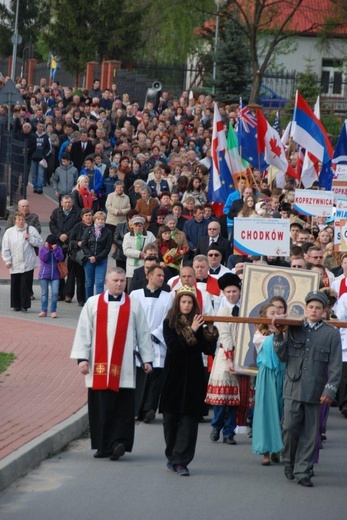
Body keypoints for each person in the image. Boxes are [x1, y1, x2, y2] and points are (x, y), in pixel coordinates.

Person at [70, 267, 153, 460]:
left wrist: (147, 359)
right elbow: (84, 331)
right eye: (115, 280)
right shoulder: (93, 303)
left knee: (123, 408)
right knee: (102, 407)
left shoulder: (133, 304)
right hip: (99, 366)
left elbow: (143, 332)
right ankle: (102, 445)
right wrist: (82, 359)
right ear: (106, 282)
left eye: (123, 281)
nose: (119, 284)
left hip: (124, 367)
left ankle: (119, 443)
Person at [273, 290, 342, 487]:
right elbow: (283, 356)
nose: (313, 310)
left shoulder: (331, 333)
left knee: (311, 434)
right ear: (305, 309)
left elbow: (335, 366)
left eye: (318, 308)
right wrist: (278, 335)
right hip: (293, 386)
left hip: (315, 391)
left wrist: (329, 390)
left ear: (324, 311)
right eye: (310, 307)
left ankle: (303, 470)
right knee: (289, 427)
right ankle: (289, 461)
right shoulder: (294, 328)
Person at [159, 285, 218, 476]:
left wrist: (209, 330)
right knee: (170, 419)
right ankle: (172, 455)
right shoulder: (169, 322)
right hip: (173, 375)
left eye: (189, 302)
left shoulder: (198, 323)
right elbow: (174, 347)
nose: (186, 305)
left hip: (192, 375)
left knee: (189, 420)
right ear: (178, 303)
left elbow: (208, 350)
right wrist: (191, 330)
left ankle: (182, 461)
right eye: (183, 301)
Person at [130, 265, 173, 422]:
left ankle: (149, 409)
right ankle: (136, 409)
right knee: (140, 377)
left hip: (157, 342)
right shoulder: (135, 295)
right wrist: (139, 336)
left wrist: (155, 335)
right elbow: (131, 317)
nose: (162, 278)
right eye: (159, 275)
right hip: (139, 342)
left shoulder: (168, 297)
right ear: (149, 276)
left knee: (155, 378)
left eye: (163, 276)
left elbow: (168, 320)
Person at [206, 273, 241, 445]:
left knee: (236, 397)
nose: (231, 295)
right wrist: (229, 358)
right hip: (224, 354)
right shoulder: (222, 309)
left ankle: (229, 432)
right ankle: (216, 426)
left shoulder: (246, 308)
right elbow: (225, 335)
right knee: (222, 394)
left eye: (234, 291)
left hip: (243, 355)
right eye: (228, 292)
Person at [252, 303, 286, 465]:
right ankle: (265, 450)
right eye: (272, 312)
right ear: (265, 316)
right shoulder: (260, 334)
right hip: (267, 374)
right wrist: (278, 332)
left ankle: (277, 448)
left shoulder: (285, 332)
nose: (276, 315)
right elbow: (268, 345)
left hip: (283, 374)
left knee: (281, 410)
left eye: (278, 312)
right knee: (266, 411)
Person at [1, 211, 43, 311]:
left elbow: (39, 242)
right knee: (16, 283)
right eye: (19, 220)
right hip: (15, 262)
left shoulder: (31, 229)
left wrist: (30, 238)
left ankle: (25, 304)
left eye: (22, 220)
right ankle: (16, 304)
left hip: (28, 262)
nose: (21, 222)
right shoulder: (9, 232)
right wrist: (7, 261)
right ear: (15, 221)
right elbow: (5, 247)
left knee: (26, 284)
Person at [81, 211, 113, 299]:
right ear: (95, 220)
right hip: (89, 260)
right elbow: (84, 245)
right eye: (98, 219)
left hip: (101, 260)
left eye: (102, 219)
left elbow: (107, 249)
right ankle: (89, 302)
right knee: (89, 282)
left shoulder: (108, 232)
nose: (100, 221)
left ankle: (99, 302)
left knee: (99, 282)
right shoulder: (88, 230)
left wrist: (96, 257)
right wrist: (90, 256)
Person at [37, 234, 64, 318]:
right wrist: (46, 250)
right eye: (50, 244)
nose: (51, 245)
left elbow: (60, 258)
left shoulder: (58, 248)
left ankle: (53, 310)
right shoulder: (42, 248)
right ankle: (43, 310)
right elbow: (43, 259)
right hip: (44, 274)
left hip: (55, 274)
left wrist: (55, 250)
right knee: (44, 293)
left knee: (55, 293)